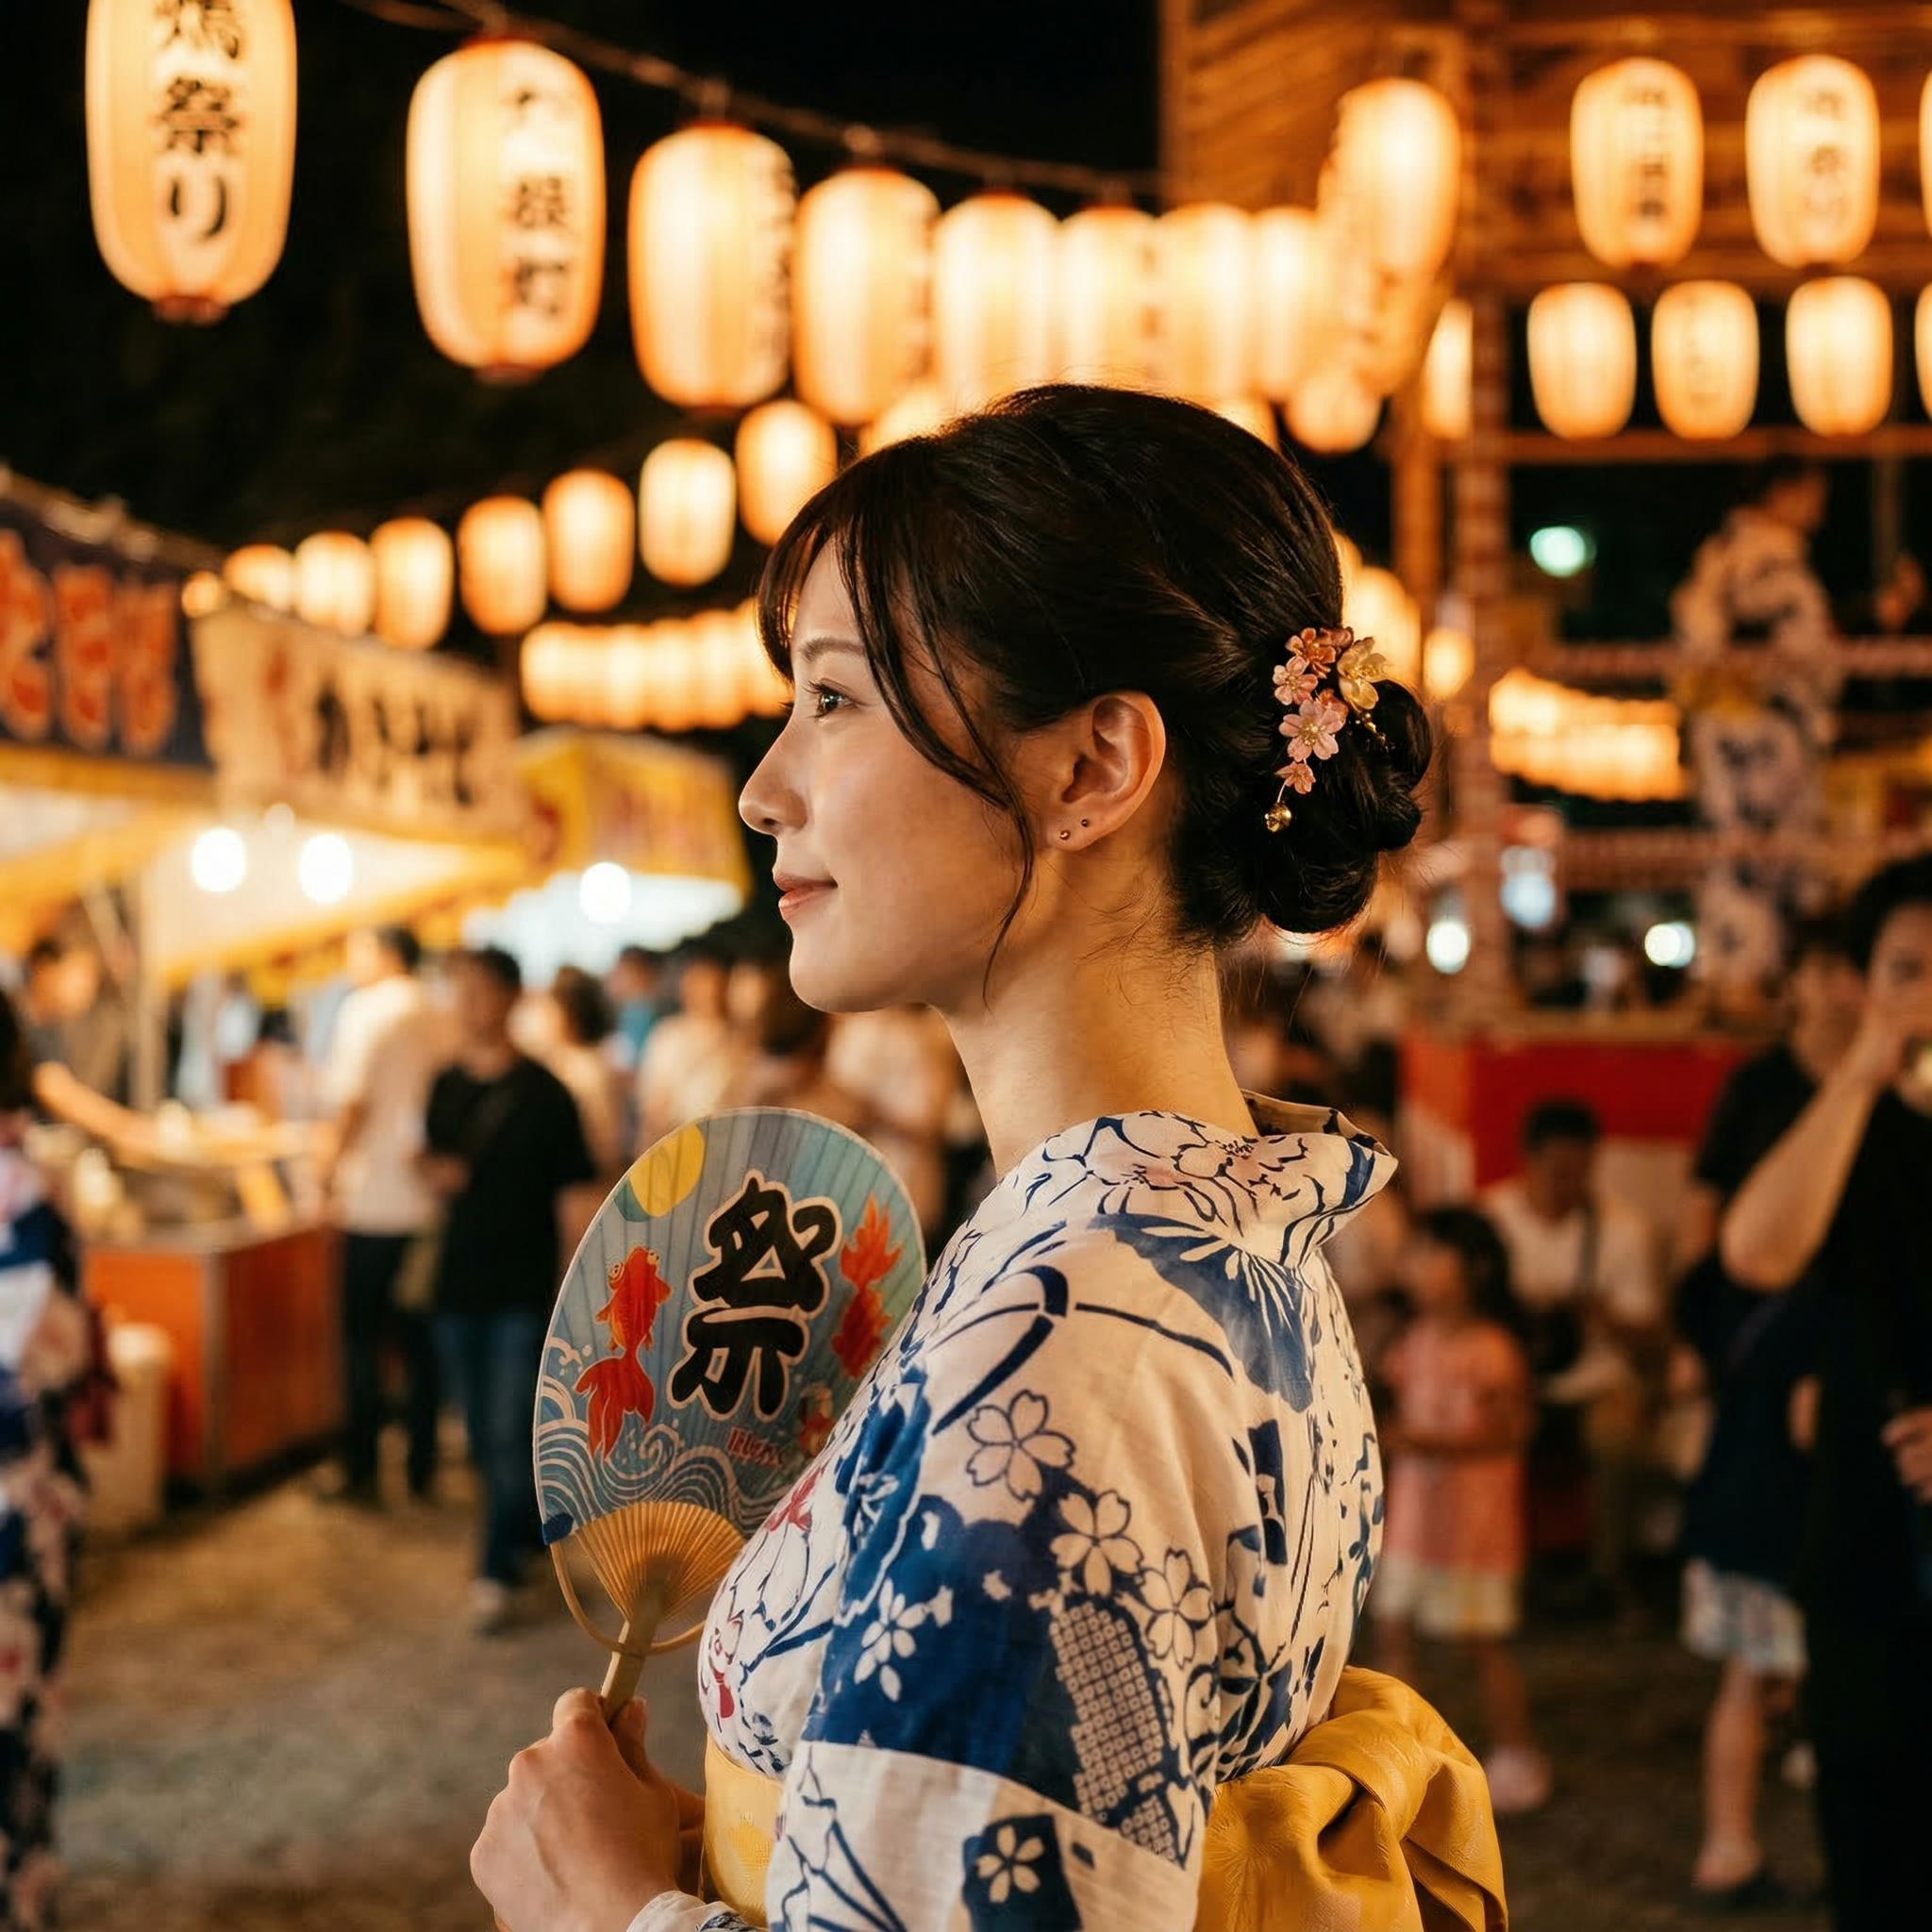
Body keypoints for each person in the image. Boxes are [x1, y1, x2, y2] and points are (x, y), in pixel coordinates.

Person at [469, 386, 1463, 1932]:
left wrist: (601, 1905)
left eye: (835, 698)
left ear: (1089, 770)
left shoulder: (1057, 1375)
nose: (764, 784)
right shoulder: (1221, 1236)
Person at [1719, 857, 1932, 1932]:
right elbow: (1755, 1250)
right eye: (1905, 968)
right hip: (1865, 1539)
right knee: (1874, 1850)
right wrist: (1862, 1068)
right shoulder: (1853, 1121)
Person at [1674, 921, 1858, 1908]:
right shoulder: (1758, 1089)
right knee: (1757, 1659)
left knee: (1829, 1654)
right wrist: (1708, 1360)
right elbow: (1707, 1239)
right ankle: (1727, 1845)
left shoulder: (1903, 1086)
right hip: (1765, 1394)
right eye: (1836, 970)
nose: (1845, 991)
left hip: (1863, 1392)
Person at [423, 947, 598, 1633]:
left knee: (505, 1431)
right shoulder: (444, 1083)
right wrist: (432, 1170)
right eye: (455, 990)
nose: (464, 1004)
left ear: (507, 997)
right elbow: (428, 1153)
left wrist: (572, 1289)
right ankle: (524, 1539)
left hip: (524, 1287)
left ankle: (495, 1569)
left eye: (475, 990)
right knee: (477, 1430)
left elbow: (575, 1193)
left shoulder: (547, 1092)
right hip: (457, 1283)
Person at [1374, 1207, 1545, 1814]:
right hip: (1417, 1521)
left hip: (1473, 1528)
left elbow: (1509, 1433)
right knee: (1395, 1630)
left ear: (1474, 1268)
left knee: (1481, 1642)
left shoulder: (1491, 1349)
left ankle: (1518, 1753)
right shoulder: (1415, 1339)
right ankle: (1402, 1753)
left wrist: (1423, 1443)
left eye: (1429, 1253)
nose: (1413, 1265)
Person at [0, 988, 105, 1926]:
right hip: (22, 1495)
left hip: (14, 1498)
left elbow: (38, 1352)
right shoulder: (28, 1189)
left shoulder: (25, 1192)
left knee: (13, 1714)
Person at [1483, 1097, 1662, 1616]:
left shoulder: (1623, 1231)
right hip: (1513, 1380)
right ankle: (1497, 1573)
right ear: (1528, 1159)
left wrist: (1597, 1314)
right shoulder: (1492, 1219)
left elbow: (1650, 1335)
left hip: (1595, 1380)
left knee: (1620, 1438)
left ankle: (1609, 1572)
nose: (1569, 1185)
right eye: (1557, 1172)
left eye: (1580, 1173)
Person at [321, 924, 449, 1507]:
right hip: (429, 1204)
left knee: (361, 1342)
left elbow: (352, 1103)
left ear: (388, 953)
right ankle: (422, 1466)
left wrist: (323, 1167)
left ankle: (362, 1467)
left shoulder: (366, 1010)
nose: (350, 957)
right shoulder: (438, 1011)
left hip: (373, 1202)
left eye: (357, 946)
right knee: (420, 1343)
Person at [635, 949, 745, 1147]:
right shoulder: (667, 1035)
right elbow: (651, 1103)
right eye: (697, 982)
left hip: (724, 1142)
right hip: (674, 1143)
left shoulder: (741, 1038)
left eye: (711, 981)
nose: (705, 990)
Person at [541, 965, 628, 1183]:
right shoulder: (565, 1059)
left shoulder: (588, 1070)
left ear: (570, 1013)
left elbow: (605, 1144)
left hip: (582, 1180)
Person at [607, 945, 664, 1075]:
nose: (615, 979)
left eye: (621, 972)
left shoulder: (641, 1012)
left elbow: (635, 1066)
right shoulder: (633, 1010)